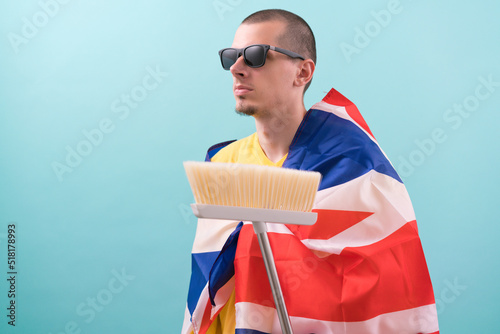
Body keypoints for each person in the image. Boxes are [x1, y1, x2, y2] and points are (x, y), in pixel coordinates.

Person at [182, 9, 439, 334]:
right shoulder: (223, 164)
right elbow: (208, 285)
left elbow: (387, 276)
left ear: (302, 72)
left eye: (255, 56)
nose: (236, 68)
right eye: (231, 56)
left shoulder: (353, 164)